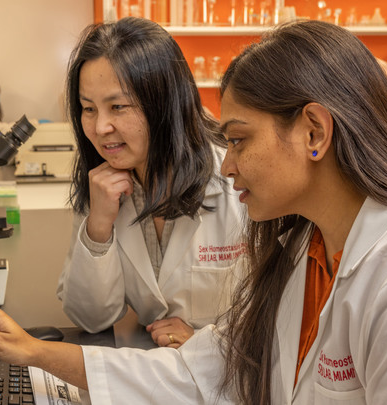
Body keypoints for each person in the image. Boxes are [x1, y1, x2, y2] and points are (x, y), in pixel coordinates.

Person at [0, 20, 387, 404]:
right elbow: (198, 371)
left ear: (313, 132)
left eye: (239, 140)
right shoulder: (310, 247)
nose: (226, 168)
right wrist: (32, 351)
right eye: (89, 109)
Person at [54, 17, 247, 347]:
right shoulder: (104, 184)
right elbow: (91, 317)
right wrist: (98, 226)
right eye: (88, 108)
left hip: (232, 378)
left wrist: (209, 342)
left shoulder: (235, 179)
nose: (100, 127)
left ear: (164, 103)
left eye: (118, 106)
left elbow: (283, 312)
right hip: (157, 373)